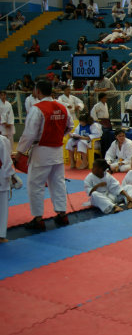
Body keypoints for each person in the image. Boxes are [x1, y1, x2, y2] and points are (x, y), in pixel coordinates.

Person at [15, 81, 74, 230]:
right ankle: (62, 214)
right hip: (57, 151)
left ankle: (38, 219)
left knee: (35, 185)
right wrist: (58, 135)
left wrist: (19, 152)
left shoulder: (37, 109)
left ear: (38, 91)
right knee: (58, 183)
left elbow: (29, 134)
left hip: (41, 151)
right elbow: (70, 126)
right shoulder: (62, 107)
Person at [1, 134, 19, 242]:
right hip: (1, 177)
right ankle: (0, 235)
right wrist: (12, 176)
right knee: (2, 207)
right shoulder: (2, 140)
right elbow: (6, 161)